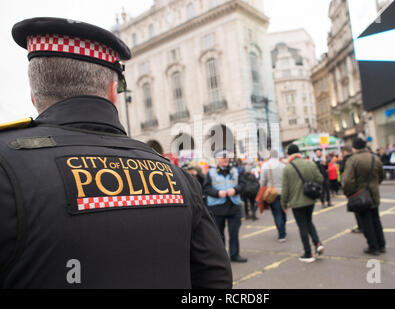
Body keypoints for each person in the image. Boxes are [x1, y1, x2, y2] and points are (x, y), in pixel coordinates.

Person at [0, 17, 232, 289]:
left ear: (34, 96)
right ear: (113, 92)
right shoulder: (174, 174)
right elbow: (215, 278)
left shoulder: (7, 164)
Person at [343, 138, 386, 256]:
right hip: (374, 193)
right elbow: (382, 175)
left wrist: (349, 193)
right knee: (376, 219)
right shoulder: (374, 158)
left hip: (360, 195)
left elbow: (347, 180)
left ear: (354, 148)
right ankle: (381, 244)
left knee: (366, 222)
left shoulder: (353, 160)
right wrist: (375, 185)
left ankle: (373, 247)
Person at [204, 149, 248, 263]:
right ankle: (221, 258)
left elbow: (243, 184)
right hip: (217, 208)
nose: (225, 160)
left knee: (234, 233)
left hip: (234, 207)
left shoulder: (235, 170)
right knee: (219, 235)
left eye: (227, 158)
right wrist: (217, 193)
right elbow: (206, 188)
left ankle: (234, 255)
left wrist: (235, 190)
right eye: (223, 158)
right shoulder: (210, 172)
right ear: (217, 160)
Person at [282, 145, 324, 263]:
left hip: (296, 202)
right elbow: (320, 179)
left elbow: (285, 189)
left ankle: (308, 253)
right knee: (309, 221)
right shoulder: (309, 163)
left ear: (289, 155)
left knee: (302, 226)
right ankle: (318, 243)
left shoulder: (287, 168)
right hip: (310, 199)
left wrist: (284, 204)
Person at [260, 149, 287, 242]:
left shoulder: (265, 166)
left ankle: (281, 234)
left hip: (272, 193)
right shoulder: (283, 166)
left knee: (277, 213)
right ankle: (283, 229)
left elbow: (262, 181)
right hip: (283, 192)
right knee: (283, 212)